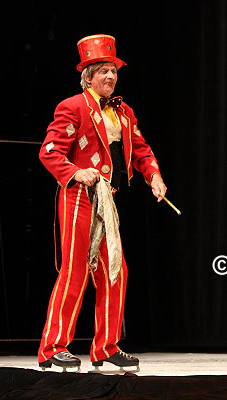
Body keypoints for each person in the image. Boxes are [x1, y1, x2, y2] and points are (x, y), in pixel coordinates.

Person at [37, 34, 167, 373]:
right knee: (75, 270)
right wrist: (75, 172)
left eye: (113, 71)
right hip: (78, 198)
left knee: (115, 271)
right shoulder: (73, 107)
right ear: (89, 77)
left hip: (107, 203)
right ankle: (53, 348)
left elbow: (142, 150)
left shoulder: (124, 111)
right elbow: (49, 152)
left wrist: (153, 175)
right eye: (103, 71)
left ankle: (106, 347)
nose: (110, 76)